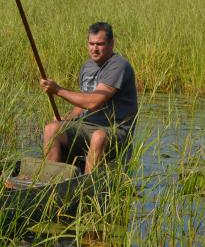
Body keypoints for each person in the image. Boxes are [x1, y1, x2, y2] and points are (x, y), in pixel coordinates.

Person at [40, 22, 137, 173]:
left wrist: (58, 90)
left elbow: (93, 102)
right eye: (91, 43)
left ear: (111, 44)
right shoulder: (87, 66)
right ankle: (49, 181)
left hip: (115, 129)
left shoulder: (119, 66)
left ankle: (87, 185)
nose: (94, 49)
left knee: (98, 137)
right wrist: (66, 119)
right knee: (51, 129)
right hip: (87, 126)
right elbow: (82, 104)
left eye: (100, 44)